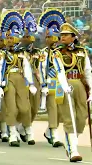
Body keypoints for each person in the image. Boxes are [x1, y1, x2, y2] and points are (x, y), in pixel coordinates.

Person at [0, 11, 37, 147]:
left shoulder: (21, 54)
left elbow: (26, 68)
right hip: (8, 79)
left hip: (20, 78)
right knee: (11, 108)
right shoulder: (2, 54)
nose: (10, 41)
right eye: (9, 39)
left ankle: (27, 129)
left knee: (25, 108)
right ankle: (12, 133)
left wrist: (31, 84)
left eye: (13, 38)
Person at [57, 23, 92, 162]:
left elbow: (87, 72)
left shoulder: (81, 51)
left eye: (66, 35)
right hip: (63, 85)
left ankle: (70, 141)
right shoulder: (57, 52)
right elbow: (59, 70)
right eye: (61, 35)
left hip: (79, 83)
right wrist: (64, 85)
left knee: (81, 117)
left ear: (73, 37)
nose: (63, 37)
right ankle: (73, 149)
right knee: (69, 117)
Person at [38, 9, 65, 147]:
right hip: (50, 83)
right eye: (47, 37)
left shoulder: (61, 52)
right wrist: (43, 85)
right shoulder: (44, 53)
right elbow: (42, 70)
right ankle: (54, 135)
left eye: (50, 37)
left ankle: (49, 131)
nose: (47, 39)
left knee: (60, 111)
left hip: (60, 84)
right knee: (53, 109)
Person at [17, 11, 40, 145]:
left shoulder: (37, 51)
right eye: (25, 35)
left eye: (30, 35)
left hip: (35, 80)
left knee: (34, 107)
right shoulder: (18, 51)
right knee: (24, 107)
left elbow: (39, 68)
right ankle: (28, 131)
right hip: (22, 80)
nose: (28, 37)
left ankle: (23, 126)